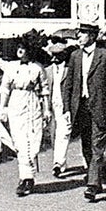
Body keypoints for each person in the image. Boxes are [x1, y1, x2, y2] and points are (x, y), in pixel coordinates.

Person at [61, 22, 106, 202]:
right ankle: (96, 178)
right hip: (80, 107)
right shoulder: (75, 56)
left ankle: (91, 185)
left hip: (100, 107)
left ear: (91, 36)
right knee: (86, 146)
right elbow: (68, 85)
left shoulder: (105, 56)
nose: (78, 36)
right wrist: (67, 108)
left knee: (97, 145)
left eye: (82, 33)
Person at [1, 37, 50, 196]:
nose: (20, 51)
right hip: (16, 102)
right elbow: (5, 89)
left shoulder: (37, 68)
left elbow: (45, 90)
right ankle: (25, 178)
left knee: (33, 141)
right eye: (19, 48)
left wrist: (47, 109)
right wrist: (3, 108)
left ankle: (29, 176)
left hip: (32, 103)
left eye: (23, 48)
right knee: (20, 141)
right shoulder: (11, 67)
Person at [46, 36, 75, 178]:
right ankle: (61, 162)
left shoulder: (70, 70)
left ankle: (58, 162)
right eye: (53, 54)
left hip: (65, 106)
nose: (55, 58)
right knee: (54, 134)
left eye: (58, 55)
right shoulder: (48, 71)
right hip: (52, 106)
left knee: (63, 133)